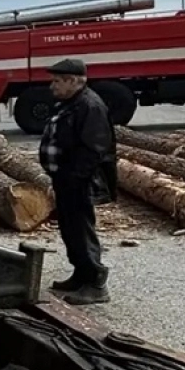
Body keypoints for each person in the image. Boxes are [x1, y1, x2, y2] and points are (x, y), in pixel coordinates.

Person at [37, 58, 118, 305]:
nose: (53, 86)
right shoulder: (70, 103)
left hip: (80, 180)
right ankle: (80, 274)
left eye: (57, 81)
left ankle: (95, 283)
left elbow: (94, 149)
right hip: (66, 178)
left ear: (73, 81)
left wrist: (73, 179)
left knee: (81, 230)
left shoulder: (89, 106)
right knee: (70, 230)